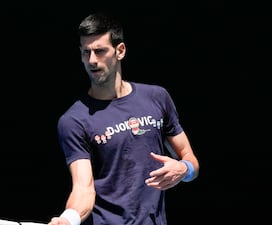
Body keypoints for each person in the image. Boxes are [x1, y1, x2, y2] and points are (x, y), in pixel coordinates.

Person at [48, 12, 199, 225]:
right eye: (85, 53)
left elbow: (191, 161)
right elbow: (83, 188)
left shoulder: (157, 97)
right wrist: (68, 219)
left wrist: (184, 169)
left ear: (120, 51)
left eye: (99, 51)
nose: (92, 60)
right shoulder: (74, 121)